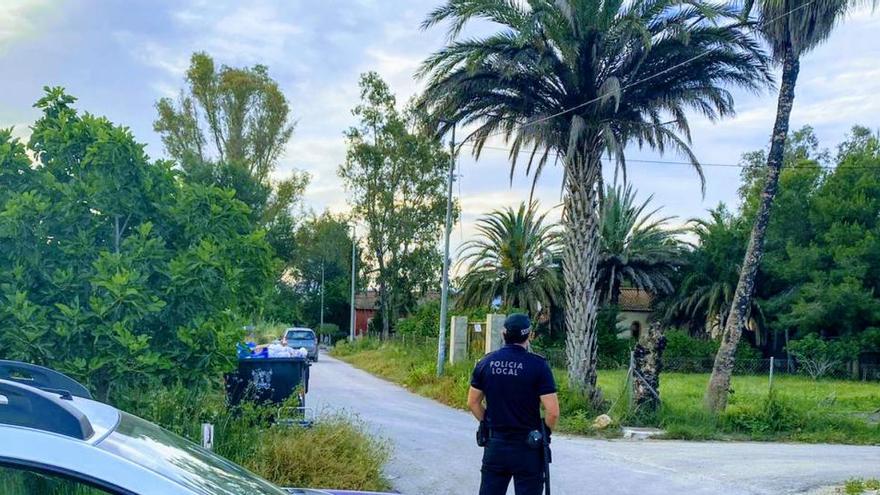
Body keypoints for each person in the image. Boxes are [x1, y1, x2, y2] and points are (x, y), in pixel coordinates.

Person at [468, 313, 560, 495]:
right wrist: (544, 432)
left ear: (503, 333)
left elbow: (473, 402)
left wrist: (488, 422)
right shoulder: (538, 366)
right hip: (528, 447)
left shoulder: (486, 363)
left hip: (496, 445)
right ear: (529, 335)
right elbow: (553, 412)